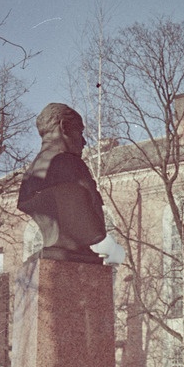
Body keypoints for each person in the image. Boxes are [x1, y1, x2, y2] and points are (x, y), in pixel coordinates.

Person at [18, 102, 123, 265]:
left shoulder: (30, 175)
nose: (84, 141)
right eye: (80, 132)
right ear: (64, 127)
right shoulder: (70, 165)